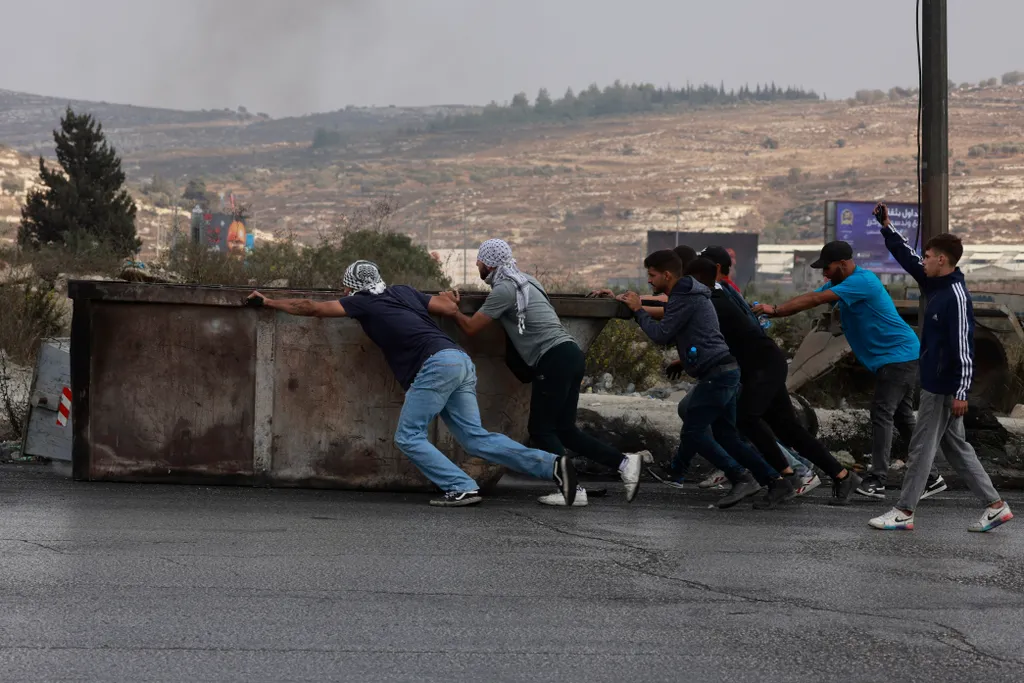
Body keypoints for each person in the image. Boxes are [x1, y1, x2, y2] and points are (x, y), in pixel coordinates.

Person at [246, 260, 578, 508]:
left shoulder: (361, 302)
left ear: (351, 289)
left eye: (345, 290)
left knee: (408, 436)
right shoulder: (403, 292)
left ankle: (460, 486)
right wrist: (449, 297)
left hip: (435, 366)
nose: (344, 295)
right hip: (458, 359)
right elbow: (448, 306)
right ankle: (553, 465)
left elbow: (312, 308)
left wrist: (269, 302)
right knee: (475, 438)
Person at [443, 238, 644, 507]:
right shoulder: (527, 281)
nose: (477, 264)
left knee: (540, 428)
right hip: (570, 353)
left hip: (553, 360)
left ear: (489, 264)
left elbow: (469, 328)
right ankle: (624, 463)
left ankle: (572, 489)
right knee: (565, 430)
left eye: (479, 260)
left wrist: (452, 309)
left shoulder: (503, 290)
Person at [752, 241, 947, 502]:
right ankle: (931, 477)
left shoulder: (861, 281)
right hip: (895, 357)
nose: (825, 273)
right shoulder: (840, 283)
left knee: (881, 413)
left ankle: (878, 479)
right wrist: (776, 312)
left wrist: (774, 310)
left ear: (843, 264)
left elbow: (816, 298)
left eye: (828, 268)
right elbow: (810, 299)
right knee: (901, 418)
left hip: (898, 356)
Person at [868, 205, 1013, 532]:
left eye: (929, 256)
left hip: (945, 387)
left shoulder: (956, 296)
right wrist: (887, 227)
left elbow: (964, 347)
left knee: (921, 448)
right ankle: (995, 506)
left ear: (942, 260)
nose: (924, 260)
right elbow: (907, 258)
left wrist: (961, 391)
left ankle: (904, 511)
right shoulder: (935, 283)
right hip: (935, 382)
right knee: (957, 449)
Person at [618, 250, 795, 509]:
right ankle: (775, 482)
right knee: (726, 435)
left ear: (667, 275)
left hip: (718, 374)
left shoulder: (684, 295)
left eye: (652, 275)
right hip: (722, 371)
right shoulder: (688, 293)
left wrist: (637, 311)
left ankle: (740, 477)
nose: (649, 281)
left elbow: (661, 334)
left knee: (694, 430)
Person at [684, 257, 862, 506]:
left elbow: (672, 313)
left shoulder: (710, 300)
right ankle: (842, 476)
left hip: (762, 366)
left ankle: (783, 479)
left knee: (746, 418)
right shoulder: (715, 294)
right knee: (788, 429)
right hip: (764, 364)